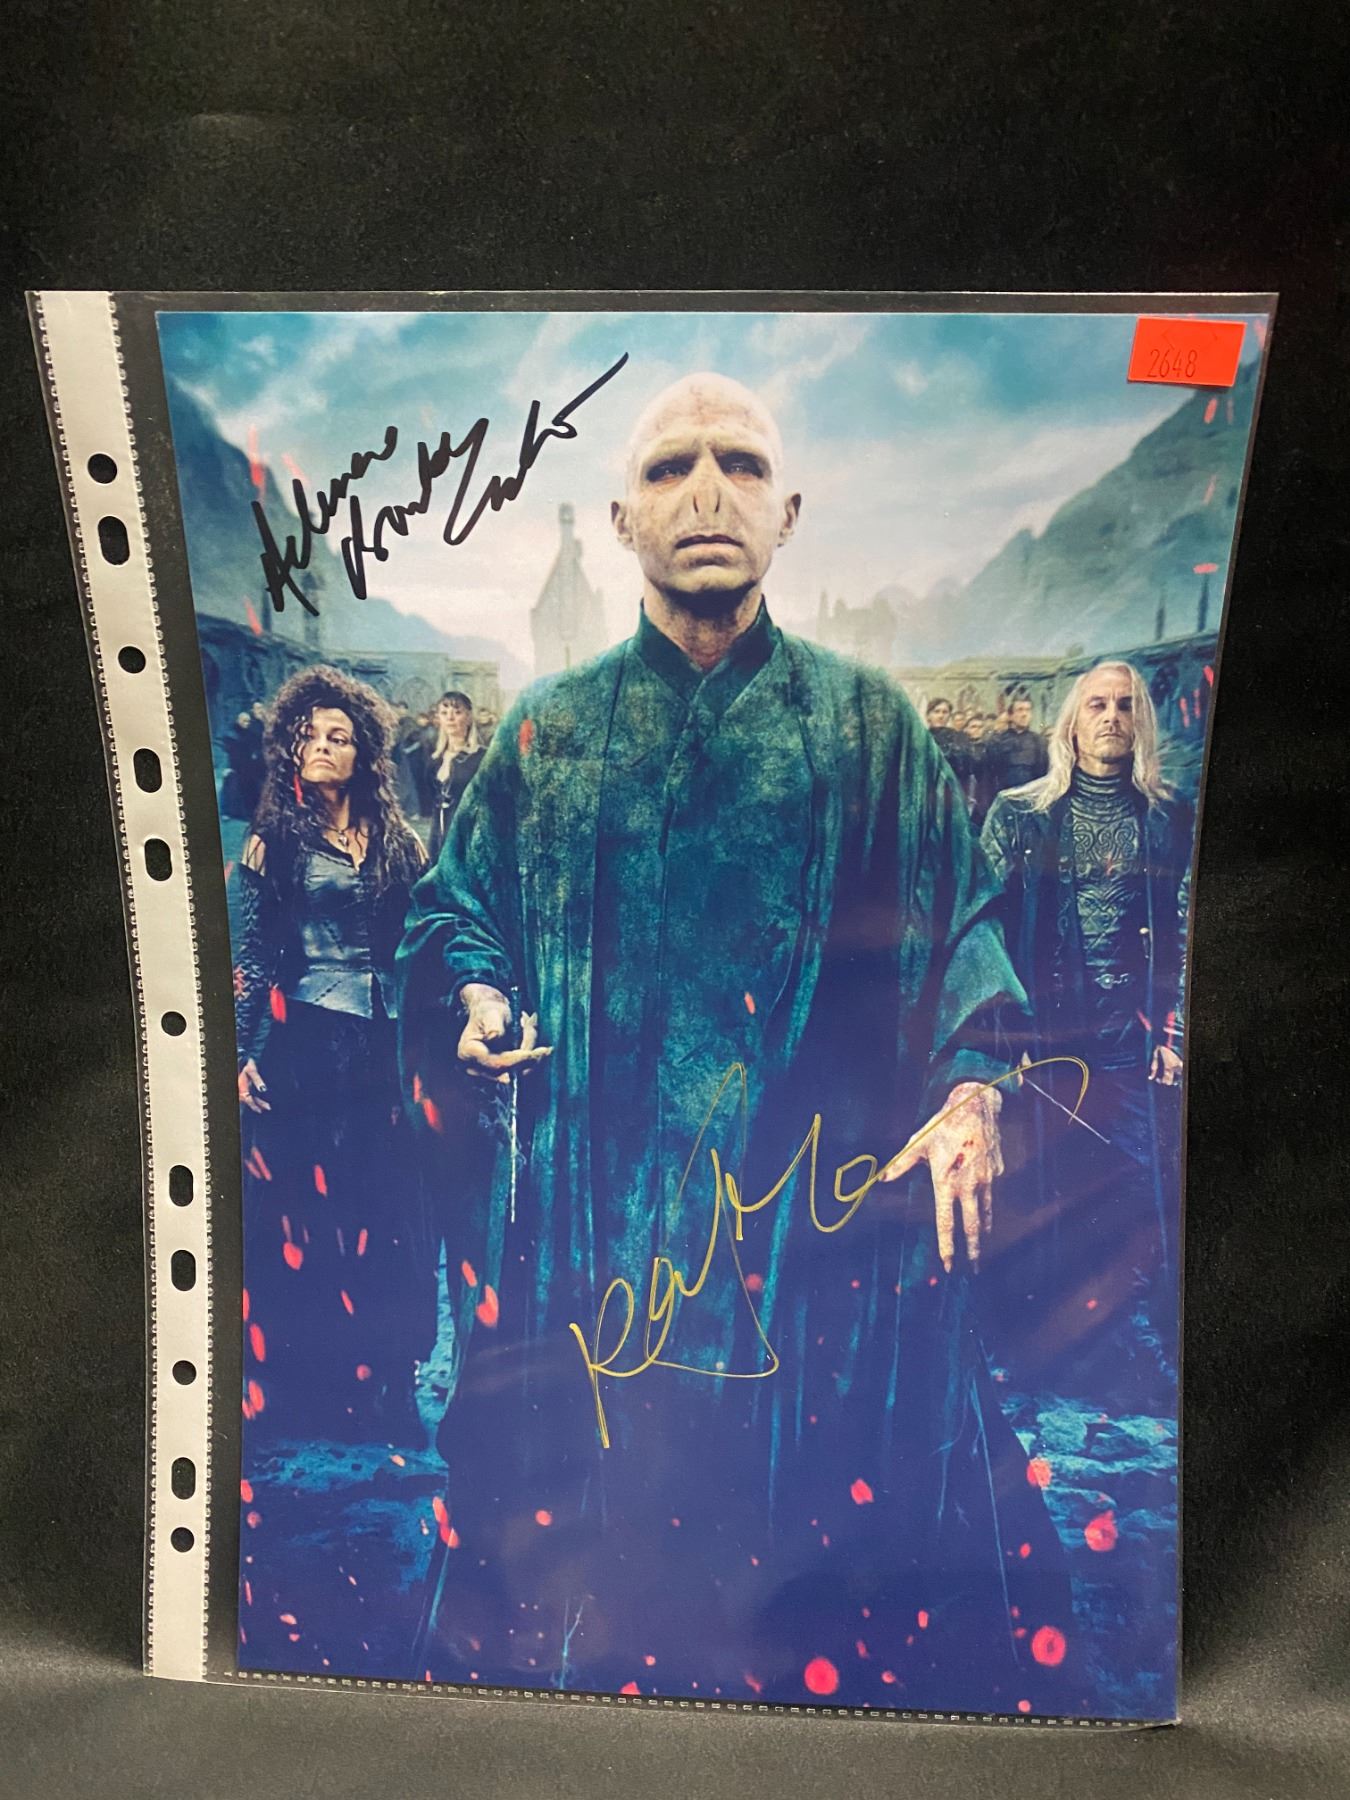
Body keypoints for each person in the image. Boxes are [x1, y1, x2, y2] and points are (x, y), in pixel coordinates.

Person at [398, 373, 1075, 1712]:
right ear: (620, 519)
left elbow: (968, 929)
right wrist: (475, 994)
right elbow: (453, 905)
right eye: (669, 468)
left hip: (815, 1239)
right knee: (599, 1586)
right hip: (602, 1239)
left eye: (742, 465)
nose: (707, 492)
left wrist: (973, 1093)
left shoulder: (871, 728)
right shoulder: (546, 731)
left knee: (818, 1591)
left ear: (789, 512)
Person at [234, 665, 435, 1446]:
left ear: (364, 753)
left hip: (385, 1048)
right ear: (291, 749)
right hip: (308, 1043)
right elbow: (254, 955)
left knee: (393, 1210)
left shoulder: (400, 842)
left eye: (338, 736)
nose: (321, 746)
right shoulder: (273, 843)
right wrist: (242, 1052)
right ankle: (310, 1386)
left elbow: (424, 942)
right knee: (308, 1212)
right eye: (309, 735)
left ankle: (393, 1380)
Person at [980, 662, 1191, 1405]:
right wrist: (998, 1037)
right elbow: (981, 927)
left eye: (1125, 705)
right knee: (1040, 1190)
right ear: (1071, 722)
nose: (1111, 717)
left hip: (1127, 1039)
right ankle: (1031, 1349)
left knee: (1125, 1190)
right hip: (1040, 1038)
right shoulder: (1020, 814)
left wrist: (1174, 1029)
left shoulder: (1168, 817)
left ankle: (1115, 1353)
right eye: (1096, 704)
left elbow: (1185, 926)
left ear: (1141, 723)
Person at [426, 690, 485, 859]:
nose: (450, 718)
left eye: (457, 712)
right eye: (444, 713)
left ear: (468, 717)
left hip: (469, 839)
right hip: (438, 837)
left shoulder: (481, 757)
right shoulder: (435, 760)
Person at [985, 695, 1049, 804]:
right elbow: (990, 771)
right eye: (1020, 710)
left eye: (1028, 710)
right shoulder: (998, 741)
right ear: (1010, 715)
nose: (1024, 714)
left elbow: (1043, 772)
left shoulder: (1039, 741)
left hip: (1031, 797)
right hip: (1004, 796)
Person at [925, 694, 971, 782]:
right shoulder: (923, 737)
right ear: (928, 715)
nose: (941, 716)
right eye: (936, 711)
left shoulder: (959, 738)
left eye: (945, 712)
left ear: (949, 716)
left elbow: (965, 767)